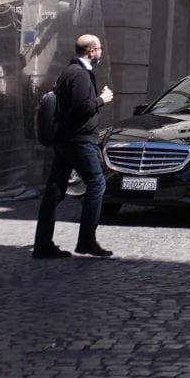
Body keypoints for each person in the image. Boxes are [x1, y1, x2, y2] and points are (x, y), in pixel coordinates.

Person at [33, 34, 114, 260]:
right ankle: (87, 241)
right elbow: (81, 108)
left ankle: (42, 244)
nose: (101, 52)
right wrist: (102, 99)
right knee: (97, 185)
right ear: (90, 51)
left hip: (66, 140)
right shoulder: (79, 75)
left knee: (55, 190)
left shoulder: (69, 72)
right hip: (78, 141)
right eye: (99, 49)